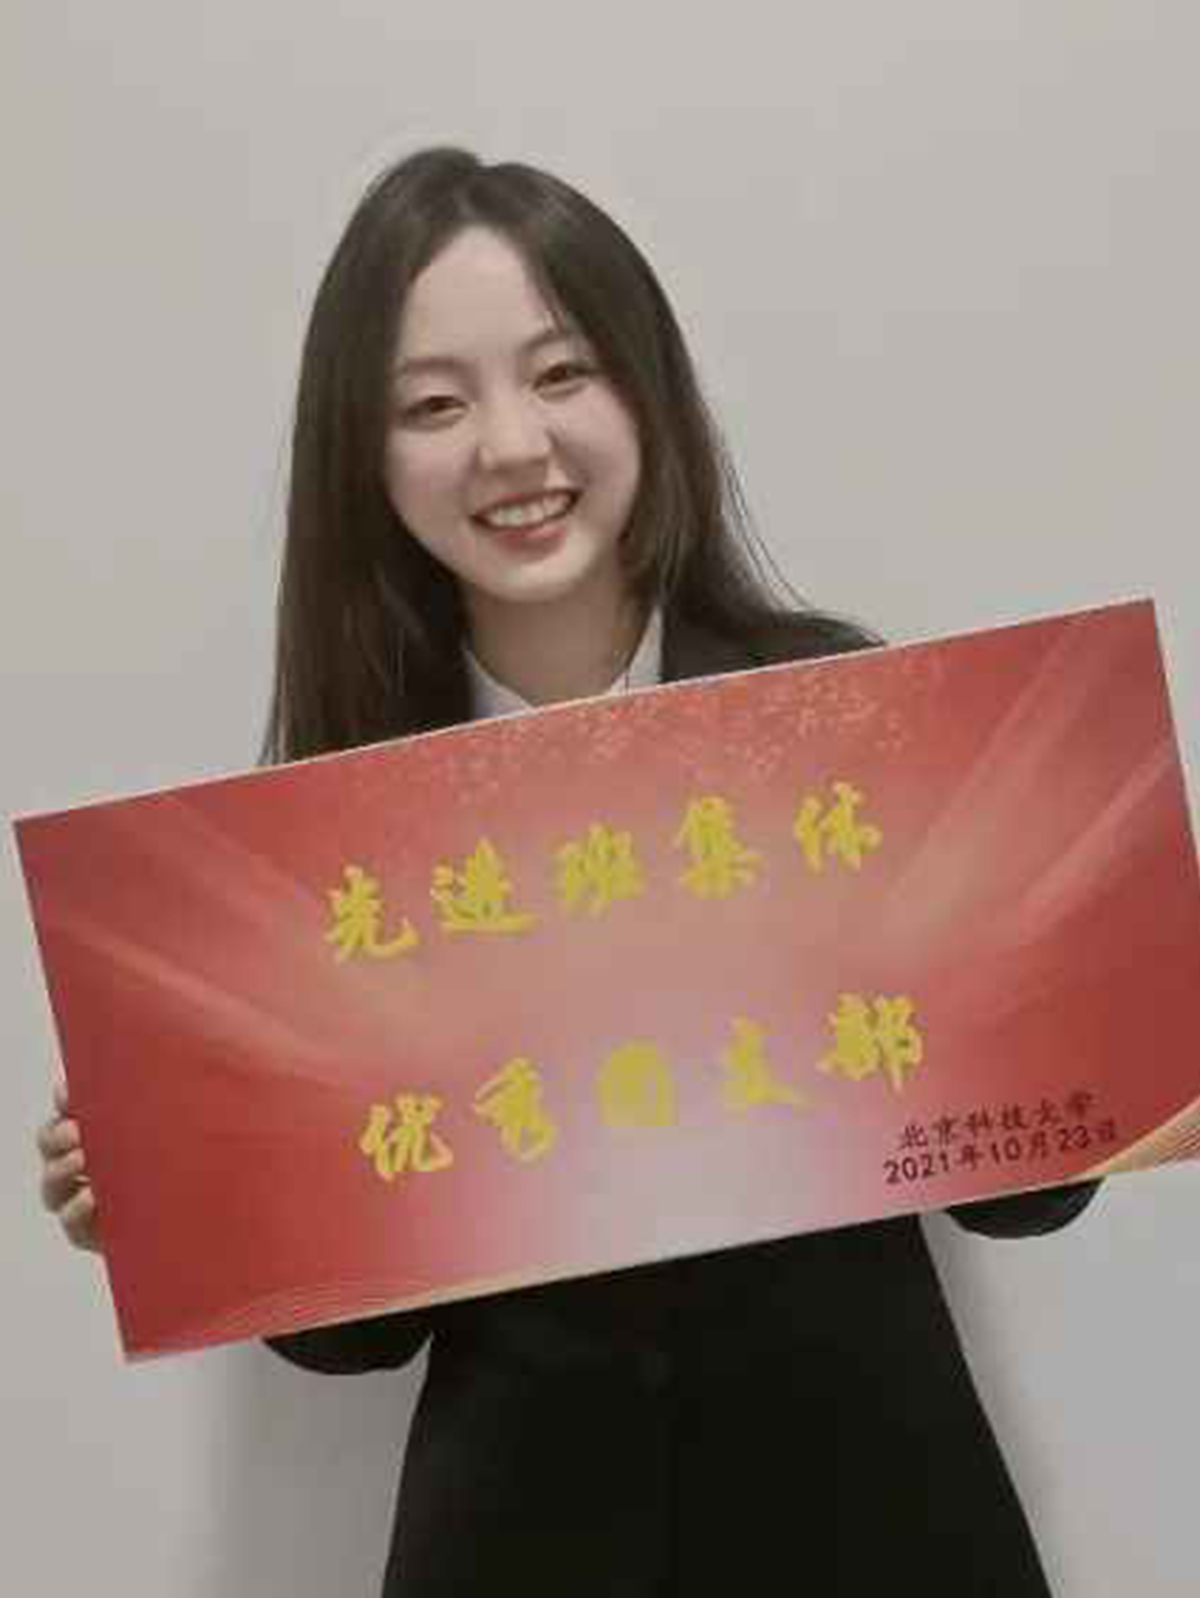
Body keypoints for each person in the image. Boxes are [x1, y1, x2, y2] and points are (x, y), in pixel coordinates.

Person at [36, 145, 1099, 1596]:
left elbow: (1019, 1196)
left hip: (877, 1519)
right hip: (525, 1540)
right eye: (433, 403)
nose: (510, 445)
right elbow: (354, 1339)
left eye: (559, 373)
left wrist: (1083, 967)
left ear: (645, 391)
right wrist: (182, 1188)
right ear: (365, 454)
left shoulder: (837, 720)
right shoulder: (332, 845)